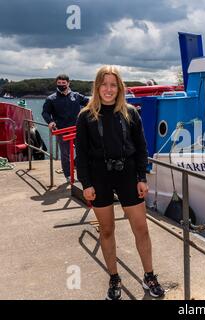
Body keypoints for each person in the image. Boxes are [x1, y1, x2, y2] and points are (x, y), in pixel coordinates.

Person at [75, 65, 164, 300]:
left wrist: (142, 177)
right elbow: (81, 154)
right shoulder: (85, 116)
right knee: (106, 230)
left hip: (127, 174)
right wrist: (86, 183)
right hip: (99, 177)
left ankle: (149, 276)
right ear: (97, 87)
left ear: (120, 88)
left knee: (141, 228)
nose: (108, 89)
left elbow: (141, 147)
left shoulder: (130, 112)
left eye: (113, 85)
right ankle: (114, 278)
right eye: (104, 84)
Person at [42, 74, 89, 182]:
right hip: (62, 130)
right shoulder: (51, 99)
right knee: (65, 154)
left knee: (85, 149)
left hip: (78, 129)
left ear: (68, 83)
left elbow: (90, 103)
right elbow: (45, 112)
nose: (61, 85)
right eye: (59, 83)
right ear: (56, 84)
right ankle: (68, 175)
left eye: (63, 83)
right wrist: (50, 121)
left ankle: (75, 164)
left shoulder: (76, 96)